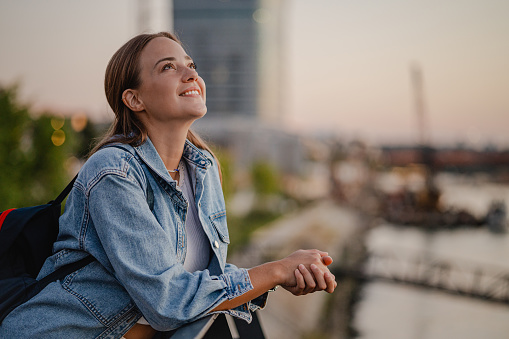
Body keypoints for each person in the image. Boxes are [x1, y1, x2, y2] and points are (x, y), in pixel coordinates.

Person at [0, 32, 336, 338]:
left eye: (191, 65)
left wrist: (282, 278)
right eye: (167, 68)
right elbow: (169, 301)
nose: (191, 74)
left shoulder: (204, 169)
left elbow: (195, 281)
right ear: (134, 100)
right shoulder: (113, 172)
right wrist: (275, 271)